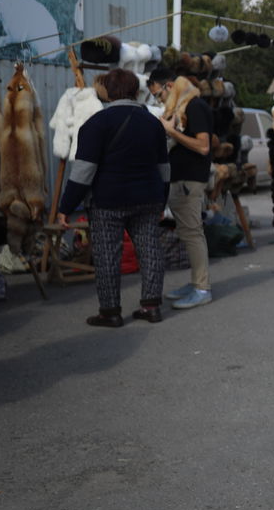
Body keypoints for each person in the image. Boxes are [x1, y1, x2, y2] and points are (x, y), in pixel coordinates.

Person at [59, 69, 170, 327]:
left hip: (108, 201)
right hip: (148, 198)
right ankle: (151, 307)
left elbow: (83, 172)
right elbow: (164, 168)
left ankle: (110, 312)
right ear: (135, 91)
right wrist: (162, 201)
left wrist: (66, 207)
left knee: (108, 255)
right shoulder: (153, 123)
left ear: (107, 91)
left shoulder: (96, 124)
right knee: (150, 250)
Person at [147, 66, 214, 310]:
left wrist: (171, 132)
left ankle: (201, 288)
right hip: (181, 179)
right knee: (187, 233)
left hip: (190, 180)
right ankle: (196, 282)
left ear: (170, 86)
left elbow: (203, 146)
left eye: (159, 95)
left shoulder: (194, 106)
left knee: (193, 232)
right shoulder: (182, 108)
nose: (159, 100)